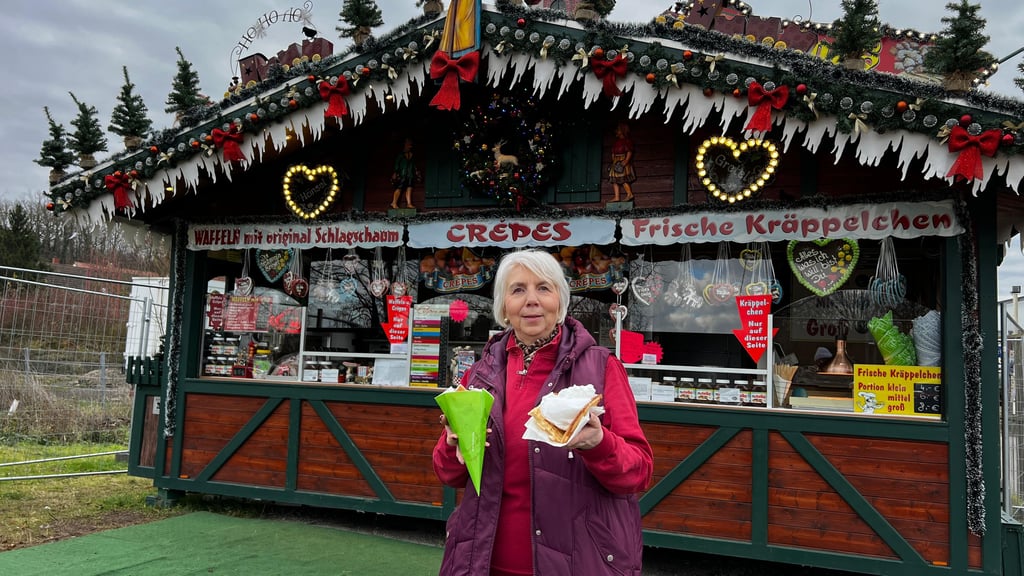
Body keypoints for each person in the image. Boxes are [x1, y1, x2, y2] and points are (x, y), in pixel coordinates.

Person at [433, 249, 653, 576]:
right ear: (504, 306)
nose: (531, 300)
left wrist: (599, 444)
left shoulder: (601, 368)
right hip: (481, 563)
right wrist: (453, 446)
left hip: (579, 564)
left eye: (543, 288)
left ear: (559, 300)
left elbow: (639, 472)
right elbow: (449, 474)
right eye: (518, 289)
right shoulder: (478, 376)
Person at [608, 121, 637, 203]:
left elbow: (629, 151)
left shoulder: (626, 141)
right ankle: (617, 197)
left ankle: (629, 194)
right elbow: (613, 152)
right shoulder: (616, 142)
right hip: (616, 162)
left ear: (623, 130)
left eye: (618, 130)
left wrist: (626, 160)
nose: (616, 131)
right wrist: (613, 161)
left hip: (622, 161)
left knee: (623, 179)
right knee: (614, 180)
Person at [391, 137, 417, 209]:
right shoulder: (401, 155)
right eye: (408, 145)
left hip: (410, 174)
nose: (410, 146)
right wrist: (395, 172)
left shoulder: (411, 155)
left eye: (410, 145)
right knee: (399, 187)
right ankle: (394, 202)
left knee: (409, 187)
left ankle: (409, 203)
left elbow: (413, 164)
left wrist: (416, 171)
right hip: (402, 174)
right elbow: (397, 164)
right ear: (405, 145)